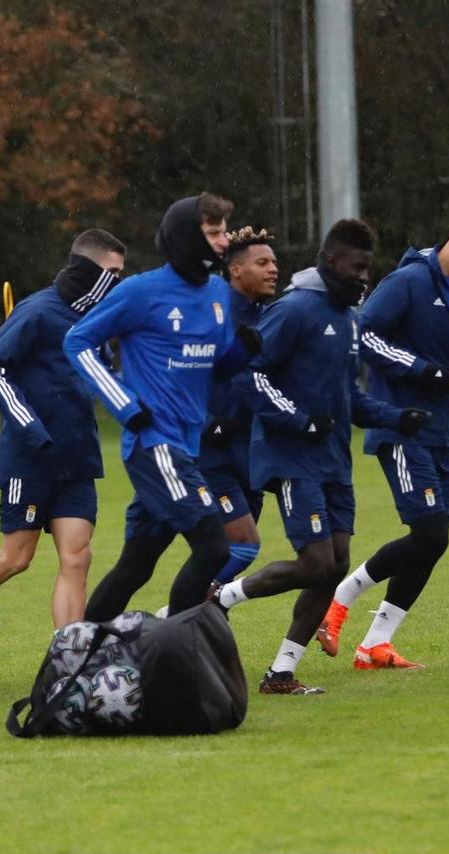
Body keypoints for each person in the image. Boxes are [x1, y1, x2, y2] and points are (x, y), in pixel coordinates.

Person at [212, 219, 429, 694]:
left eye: (369, 268)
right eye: (357, 267)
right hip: (291, 457)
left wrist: (395, 417)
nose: (364, 277)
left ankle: (281, 673)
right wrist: (298, 420)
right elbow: (250, 375)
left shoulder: (348, 318)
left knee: (334, 565)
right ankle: (223, 597)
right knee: (314, 563)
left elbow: (346, 396)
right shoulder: (296, 310)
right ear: (331, 262)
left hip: (332, 462)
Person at [321, 203, 449, 669]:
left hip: (440, 435)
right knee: (430, 533)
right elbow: (362, 335)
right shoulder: (409, 281)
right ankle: (340, 597)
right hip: (401, 428)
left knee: (433, 541)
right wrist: (415, 367)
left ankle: (375, 644)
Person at [0, 229, 126, 684]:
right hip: (30, 458)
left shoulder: (99, 320)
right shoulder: (37, 312)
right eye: (113, 273)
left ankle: (69, 663)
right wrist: (30, 426)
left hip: (77, 457)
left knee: (77, 557)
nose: (119, 282)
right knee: (16, 558)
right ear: (90, 270)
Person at [62, 195, 254, 621]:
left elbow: (214, 369)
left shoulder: (219, 293)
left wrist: (241, 353)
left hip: (186, 445)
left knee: (136, 565)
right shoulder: (140, 291)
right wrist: (125, 404)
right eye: (214, 233)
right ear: (187, 237)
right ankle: (178, 651)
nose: (225, 242)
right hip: (155, 444)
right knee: (213, 547)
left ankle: (76, 657)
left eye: (225, 231)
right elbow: (77, 341)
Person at [199, 227, 281, 590]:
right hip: (211, 454)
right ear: (235, 270)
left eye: (274, 262)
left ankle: (197, 628)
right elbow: (186, 371)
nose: (273, 269)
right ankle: (176, 614)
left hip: (251, 453)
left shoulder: (272, 314)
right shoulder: (213, 312)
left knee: (226, 554)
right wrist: (208, 422)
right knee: (243, 547)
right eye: (262, 262)